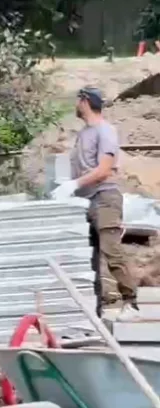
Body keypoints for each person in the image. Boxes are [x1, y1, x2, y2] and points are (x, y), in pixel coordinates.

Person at [51, 86, 138, 317]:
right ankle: (95, 312)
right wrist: (66, 186)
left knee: (111, 251)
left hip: (105, 197)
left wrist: (74, 185)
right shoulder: (83, 134)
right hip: (85, 201)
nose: (75, 104)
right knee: (89, 258)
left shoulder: (105, 131)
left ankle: (131, 303)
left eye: (78, 99)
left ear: (85, 101)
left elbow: (103, 170)